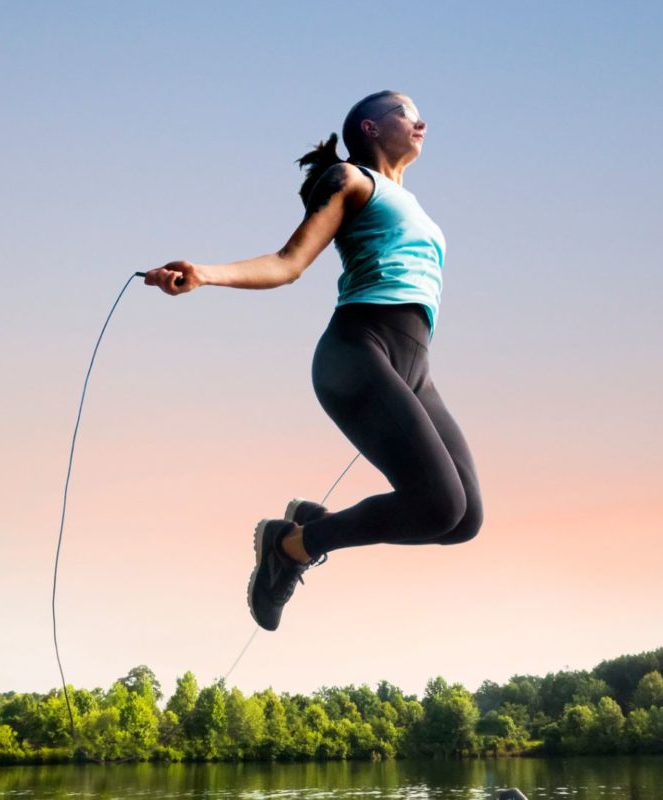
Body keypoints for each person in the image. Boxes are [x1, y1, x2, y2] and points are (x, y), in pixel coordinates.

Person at [144, 90, 484, 632]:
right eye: (406, 112)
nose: (421, 121)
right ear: (369, 128)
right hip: (358, 350)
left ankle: (305, 530)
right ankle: (291, 546)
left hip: (414, 365)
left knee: (464, 520)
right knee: (439, 506)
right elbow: (287, 262)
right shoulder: (352, 181)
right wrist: (205, 273)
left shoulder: (413, 204)